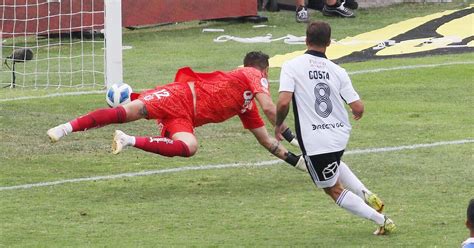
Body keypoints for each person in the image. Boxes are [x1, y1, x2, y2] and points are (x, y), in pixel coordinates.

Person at [47, 51, 306, 171]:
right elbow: (272, 109)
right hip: (179, 95)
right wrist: (292, 134)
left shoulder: (245, 106)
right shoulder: (251, 72)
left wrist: (298, 161)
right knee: (127, 112)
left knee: (189, 147)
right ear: (265, 71)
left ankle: (127, 140)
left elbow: (267, 142)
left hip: (184, 117)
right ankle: (65, 128)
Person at [274, 21, 395, 235]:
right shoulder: (338, 70)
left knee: (333, 190)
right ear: (329, 43)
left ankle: (381, 220)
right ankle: (365, 193)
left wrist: (278, 124)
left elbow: (283, 102)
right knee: (335, 163)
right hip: (339, 134)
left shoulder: (292, 66)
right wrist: (356, 113)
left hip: (315, 140)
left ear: (306, 40)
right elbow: (358, 107)